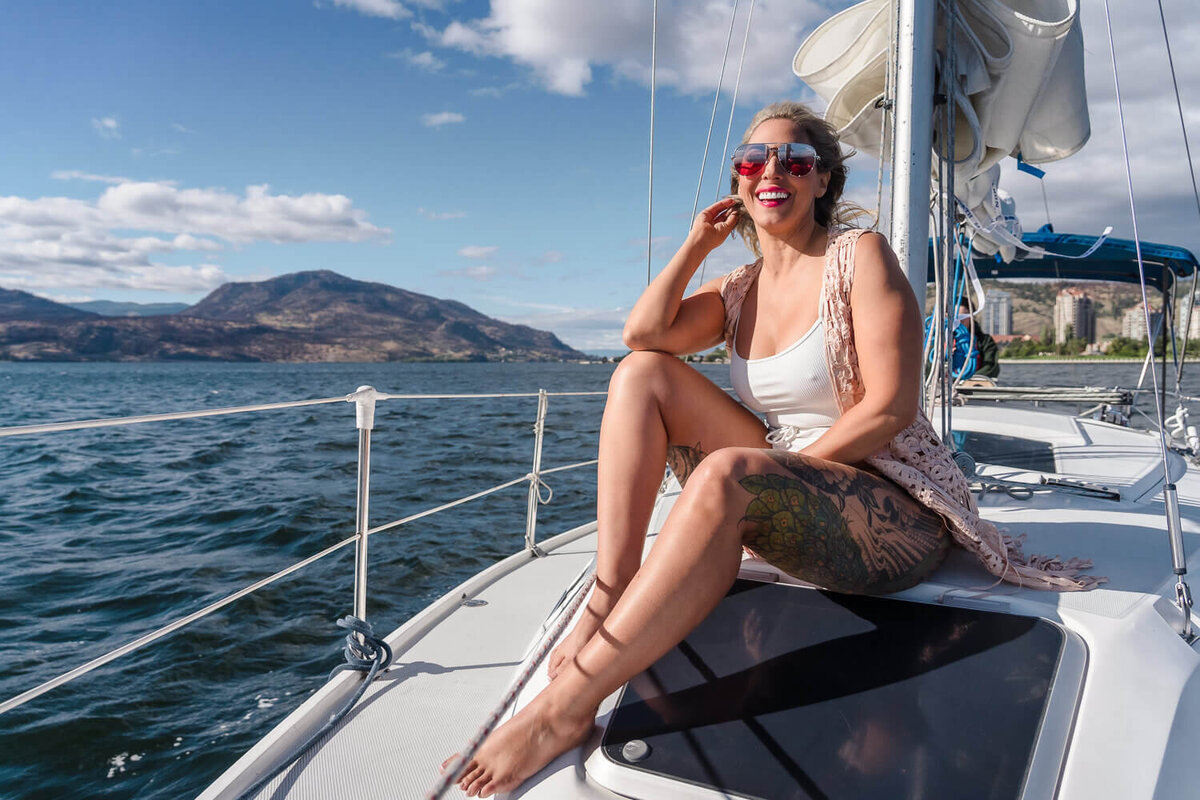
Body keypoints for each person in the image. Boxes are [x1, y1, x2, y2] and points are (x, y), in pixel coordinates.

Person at [446, 101, 1097, 798]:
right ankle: (610, 594)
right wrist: (697, 247)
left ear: (823, 181)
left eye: (795, 160)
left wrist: (775, 479)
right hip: (781, 477)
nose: (772, 172)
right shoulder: (740, 288)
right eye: (754, 161)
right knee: (640, 376)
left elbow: (889, 408)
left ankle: (562, 712)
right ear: (738, 182)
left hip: (891, 505)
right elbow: (643, 335)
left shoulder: (861, 257)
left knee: (731, 476)